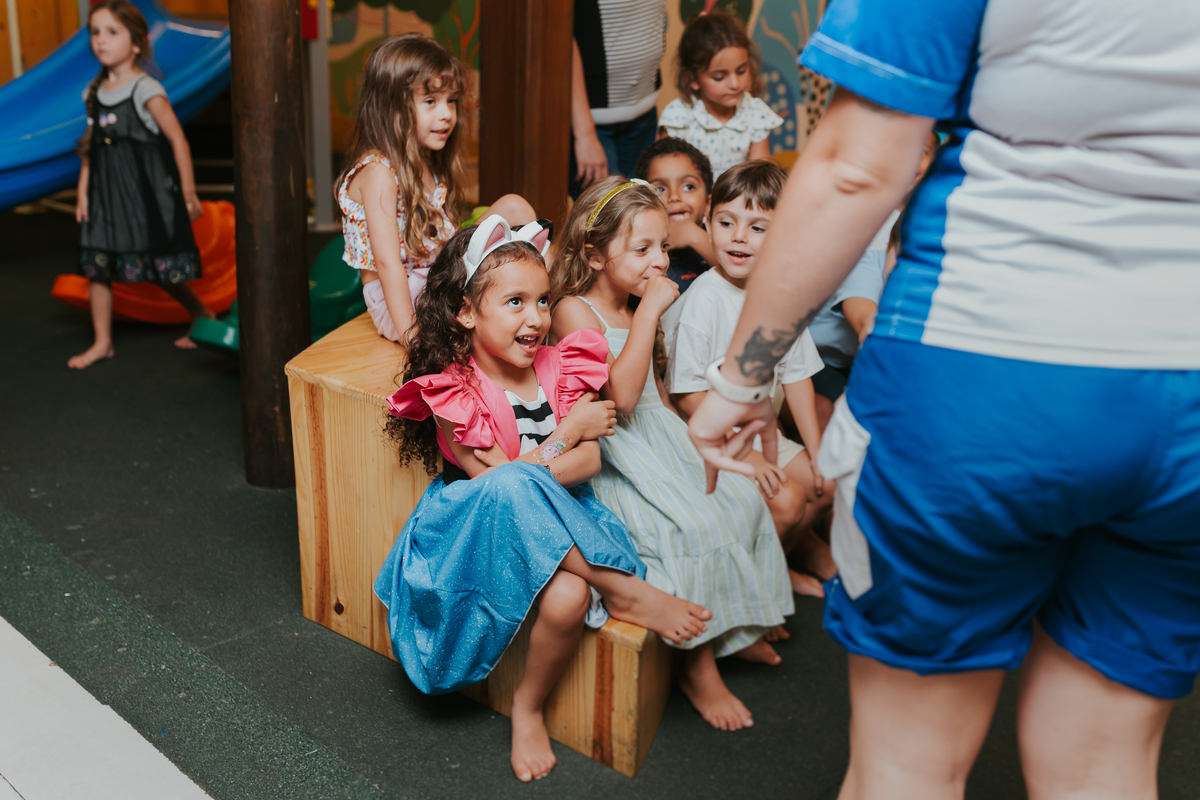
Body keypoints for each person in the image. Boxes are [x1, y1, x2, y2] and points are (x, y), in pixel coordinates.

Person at [686, 0, 1200, 797]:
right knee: (1106, 766)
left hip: (983, 376)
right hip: (1187, 400)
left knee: (907, 769)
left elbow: (855, 167)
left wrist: (742, 377)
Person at [376, 218, 710, 782]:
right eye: (514, 302)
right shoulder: (455, 390)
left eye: (542, 301)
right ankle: (622, 590)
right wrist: (567, 431)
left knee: (568, 596)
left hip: (560, 519)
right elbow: (502, 483)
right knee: (510, 485)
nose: (535, 318)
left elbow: (589, 463)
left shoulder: (559, 367)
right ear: (466, 312)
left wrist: (569, 444)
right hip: (472, 525)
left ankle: (529, 706)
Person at [550, 177, 793, 732]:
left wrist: (709, 449)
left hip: (661, 439)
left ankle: (734, 628)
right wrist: (649, 313)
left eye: (663, 246)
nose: (659, 261)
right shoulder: (573, 311)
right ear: (592, 254)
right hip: (617, 453)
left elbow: (660, 401)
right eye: (642, 250)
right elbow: (623, 398)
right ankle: (698, 670)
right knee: (688, 528)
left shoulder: (637, 303)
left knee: (740, 501)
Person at [663, 160, 834, 600]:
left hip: (761, 433)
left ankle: (775, 568)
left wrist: (816, 453)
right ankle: (746, 597)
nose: (738, 237)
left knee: (827, 482)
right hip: (714, 439)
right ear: (708, 221)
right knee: (788, 500)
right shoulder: (703, 299)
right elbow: (687, 398)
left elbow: (796, 378)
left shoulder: (783, 295)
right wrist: (751, 457)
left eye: (758, 228)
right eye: (726, 222)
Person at [336, 34, 535, 343]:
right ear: (392, 107)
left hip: (434, 276)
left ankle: (538, 298)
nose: (446, 114)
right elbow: (388, 264)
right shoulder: (378, 172)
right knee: (493, 296)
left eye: (451, 101)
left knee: (514, 207)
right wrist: (412, 337)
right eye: (430, 101)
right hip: (403, 301)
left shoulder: (424, 161)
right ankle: (514, 304)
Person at [70, 0, 210, 369]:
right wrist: (83, 192)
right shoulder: (92, 93)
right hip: (105, 196)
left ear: (136, 43)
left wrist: (189, 192)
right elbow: (91, 147)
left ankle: (202, 313)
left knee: (157, 266)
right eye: (95, 32)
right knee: (96, 265)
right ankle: (102, 342)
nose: (101, 40)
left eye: (112, 32)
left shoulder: (146, 89)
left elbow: (178, 141)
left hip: (144, 197)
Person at [807, 131, 940, 426]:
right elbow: (861, 304)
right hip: (821, 357)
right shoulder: (860, 225)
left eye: (921, 152)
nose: (908, 161)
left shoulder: (932, 221)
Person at [657, 10, 782, 178]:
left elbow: (760, 179)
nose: (735, 84)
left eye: (741, 71)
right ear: (693, 78)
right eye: (719, 77)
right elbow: (666, 179)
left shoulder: (756, 114)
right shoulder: (678, 118)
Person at [569, 0, 666, 195]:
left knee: (643, 209)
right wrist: (585, 134)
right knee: (605, 217)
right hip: (594, 125)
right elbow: (561, 37)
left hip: (645, 116)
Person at [634, 137, 715, 293]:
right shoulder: (637, 245)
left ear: (708, 203)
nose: (674, 196)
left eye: (689, 186)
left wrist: (696, 237)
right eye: (660, 189)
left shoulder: (722, 236)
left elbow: (743, 282)